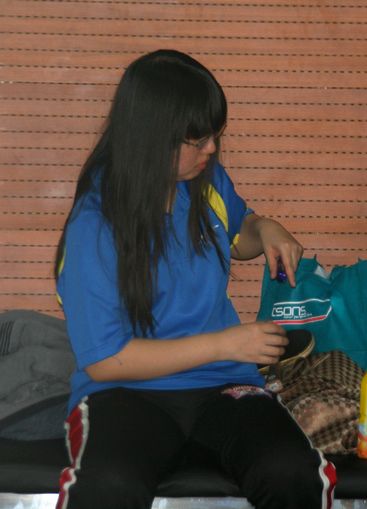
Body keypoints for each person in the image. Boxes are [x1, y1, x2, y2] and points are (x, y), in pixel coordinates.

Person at [53, 49, 336, 509]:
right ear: (150, 136)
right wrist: (225, 344)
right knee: (109, 486)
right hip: (125, 393)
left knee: (293, 472)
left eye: (215, 137)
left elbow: (238, 236)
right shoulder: (95, 224)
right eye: (198, 139)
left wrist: (265, 228)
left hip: (223, 387)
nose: (211, 150)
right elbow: (105, 360)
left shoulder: (206, 183)